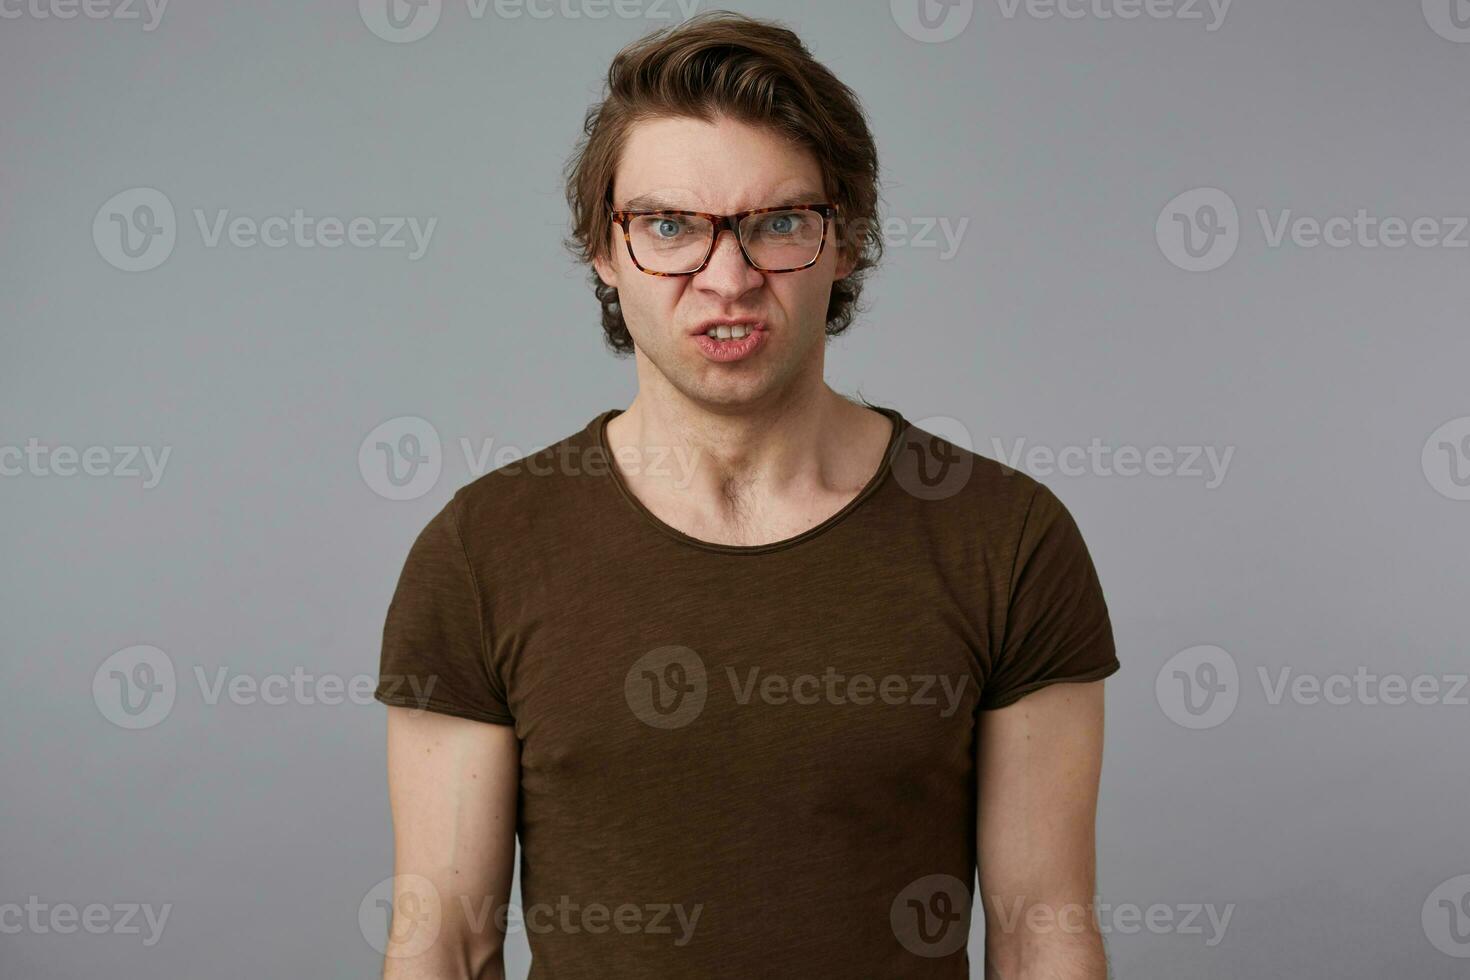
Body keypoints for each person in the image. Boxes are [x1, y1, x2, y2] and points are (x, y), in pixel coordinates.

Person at [375, 11, 1118, 978]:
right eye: (670, 225)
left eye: (778, 224)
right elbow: (444, 942)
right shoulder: (481, 551)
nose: (727, 279)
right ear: (603, 250)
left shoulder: (1007, 540)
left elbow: (1042, 933)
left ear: (845, 243)